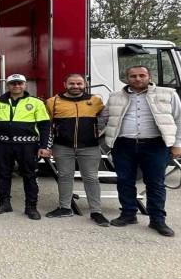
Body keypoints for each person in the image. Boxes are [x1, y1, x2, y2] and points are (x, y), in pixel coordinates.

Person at [102, 66, 180, 237]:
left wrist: (177, 144)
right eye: (133, 76)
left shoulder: (167, 94)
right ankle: (128, 214)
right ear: (127, 78)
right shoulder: (115, 97)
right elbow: (103, 117)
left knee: (155, 183)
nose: (138, 79)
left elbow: (178, 119)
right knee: (124, 181)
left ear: (149, 76)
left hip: (155, 145)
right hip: (123, 145)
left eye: (141, 75)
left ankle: (157, 219)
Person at [44, 74, 109, 226]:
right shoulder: (52, 102)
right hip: (62, 146)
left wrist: (97, 131)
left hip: (90, 146)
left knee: (91, 178)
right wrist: (47, 146)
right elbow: (47, 125)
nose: (75, 86)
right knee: (65, 177)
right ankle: (65, 208)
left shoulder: (95, 101)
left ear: (85, 84)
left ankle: (96, 211)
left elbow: (104, 118)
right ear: (65, 84)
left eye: (79, 83)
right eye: (71, 83)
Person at [0, 74, 50, 220]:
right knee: (3, 175)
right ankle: (4, 203)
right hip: (2, 145)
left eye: (19, 83)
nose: (16, 86)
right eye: (13, 84)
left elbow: (44, 126)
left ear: (25, 85)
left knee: (29, 176)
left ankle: (31, 206)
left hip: (27, 145)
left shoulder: (36, 103)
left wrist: (44, 145)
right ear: (8, 85)